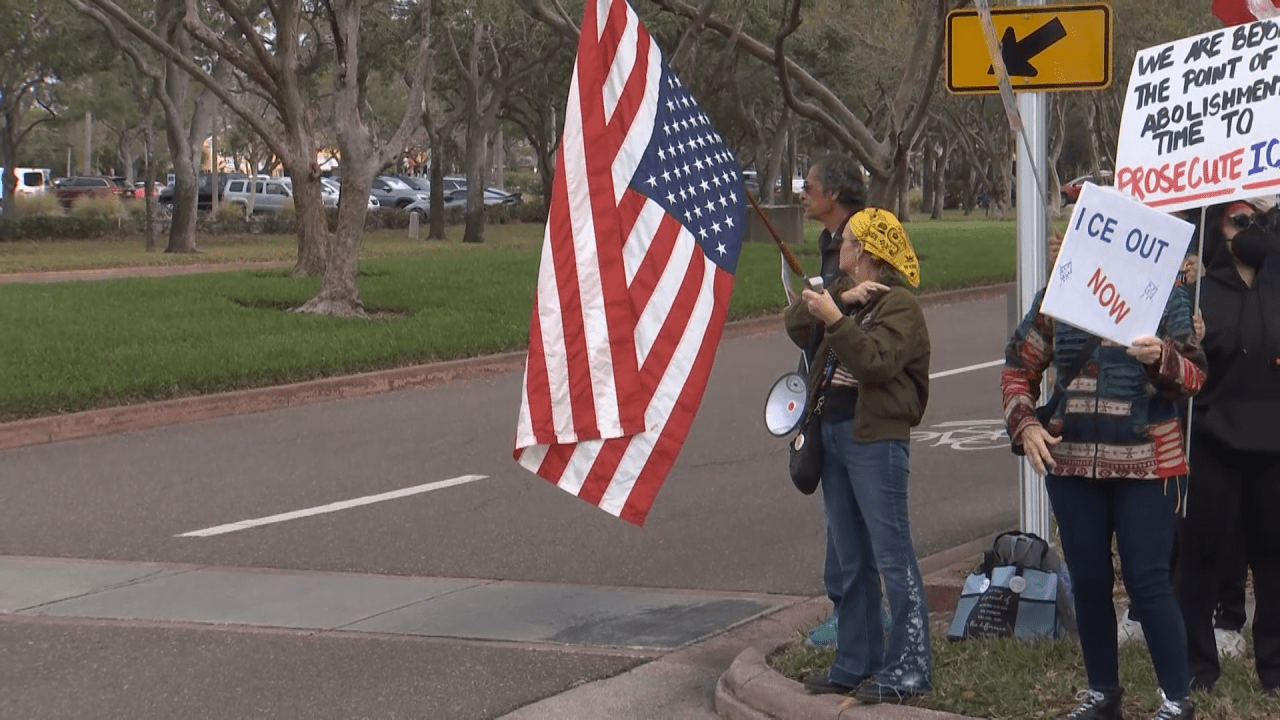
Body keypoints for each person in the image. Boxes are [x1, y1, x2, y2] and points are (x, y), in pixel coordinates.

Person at [1002, 231, 1207, 719]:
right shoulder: (1060, 294)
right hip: (1069, 462)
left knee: (1148, 579)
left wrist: (1163, 358)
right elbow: (1019, 365)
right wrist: (1025, 422)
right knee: (1090, 581)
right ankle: (1103, 695)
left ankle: (1178, 703)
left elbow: (1196, 376)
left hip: (1149, 464)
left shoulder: (1167, 295)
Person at [786, 208, 932, 704]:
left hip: (875, 441)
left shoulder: (901, 308)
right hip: (833, 435)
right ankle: (856, 660)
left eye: (845, 240)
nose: (838, 246)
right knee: (850, 557)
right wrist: (841, 302)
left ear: (865, 252)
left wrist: (835, 319)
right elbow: (793, 322)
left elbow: (876, 363)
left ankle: (910, 665)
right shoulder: (853, 300)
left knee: (892, 555)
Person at [1174, 196, 1280, 694]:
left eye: (1260, 219)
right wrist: (1185, 337)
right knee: (1197, 563)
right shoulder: (1196, 294)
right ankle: (1198, 669)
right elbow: (1173, 370)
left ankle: (1274, 672)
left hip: (1273, 446)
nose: (1253, 228)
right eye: (1241, 219)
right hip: (1212, 441)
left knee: (1275, 564)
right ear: (1218, 228)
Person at [795, 153, 868, 650]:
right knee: (835, 503)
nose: (803, 193)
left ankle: (855, 613)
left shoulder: (865, 242)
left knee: (854, 511)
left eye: (811, 186)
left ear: (835, 194)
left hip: (856, 401)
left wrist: (834, 305)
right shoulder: (828, 247)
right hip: (824, 392)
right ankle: (846, 607)